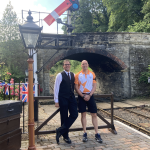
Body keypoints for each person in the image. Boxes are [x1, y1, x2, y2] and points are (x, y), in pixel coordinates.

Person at [74, 60, 103, 143]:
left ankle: (97, 133)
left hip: (90, 95)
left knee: (94, 113)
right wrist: (83, 96)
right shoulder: (77, 75)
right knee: (83, 114)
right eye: (83, 64)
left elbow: (94, 86)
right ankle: (84, 132)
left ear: (88, 65)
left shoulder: (92, 74)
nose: (84, 65)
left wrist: (89, 95)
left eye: (86, 64)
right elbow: (76, 87)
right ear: (81, 65)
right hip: (81, 96)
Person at [54, 59, 78, 144]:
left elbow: (75, 86)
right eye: (65, 64)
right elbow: (56, 88)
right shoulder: (60, 75)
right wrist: (56, 101)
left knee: (75, 114)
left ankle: (60, 130)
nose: (67, 65)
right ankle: (66, 136)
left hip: (71, 98)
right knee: (64, 117)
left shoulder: (73, 74)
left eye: (68, 64)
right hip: (63, 98)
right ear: (63, 66)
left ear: (70, 65)